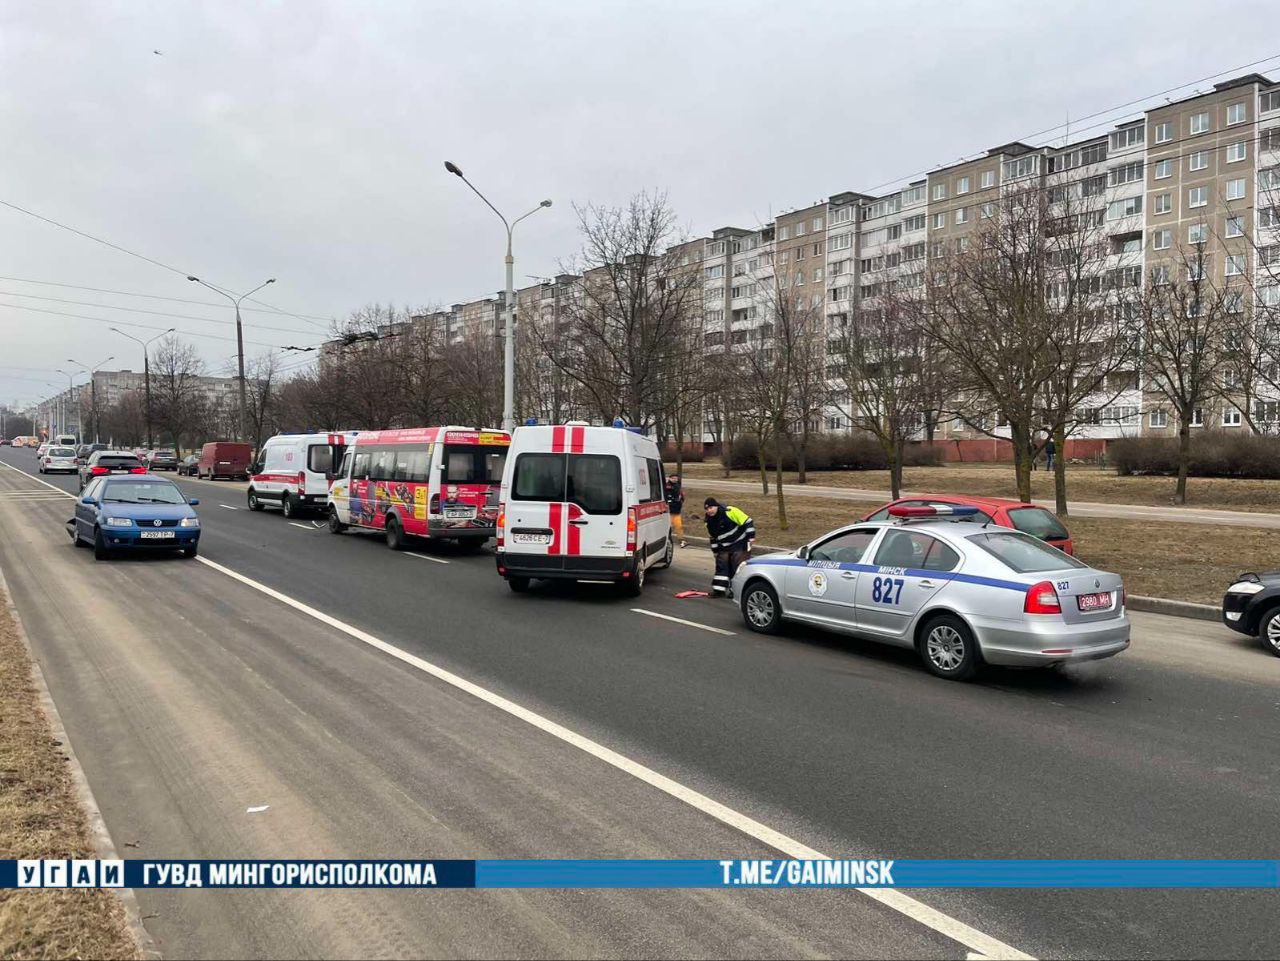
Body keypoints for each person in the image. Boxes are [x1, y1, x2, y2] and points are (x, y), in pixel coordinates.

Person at [703, 497, 755, 598]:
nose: (709, 510)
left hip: (739, 543)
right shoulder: (708, 521)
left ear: (716, 506)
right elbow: (713, 538)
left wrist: (751, 537)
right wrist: (715, 551)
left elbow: (748, 521)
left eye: (711, 508)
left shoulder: (730, 511)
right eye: (707, 509)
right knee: (721, 566)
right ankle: (719, 590)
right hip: (724, 546)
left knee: (737, 567)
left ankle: (735, 591)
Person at [664, 475, 686, 548]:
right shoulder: (667, 486)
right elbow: (666, 497)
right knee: (668, 527)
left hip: (677, 510)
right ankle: (666, 540)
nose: (675, 479)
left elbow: (682, 495)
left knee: (678, 526)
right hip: (669, 511)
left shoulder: (678, 486)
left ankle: (681, 540)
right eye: (673, 478)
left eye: (676, 478)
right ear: (669, 478)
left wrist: (681, 500)